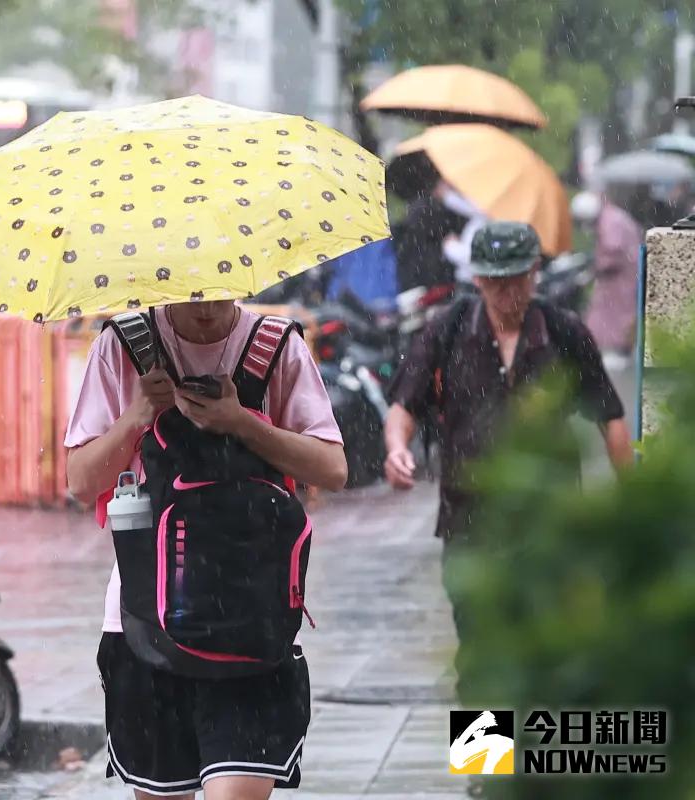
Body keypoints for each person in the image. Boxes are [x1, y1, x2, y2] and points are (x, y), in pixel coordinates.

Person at [65, 299, 347, 800]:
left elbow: (332, 468)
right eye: (190, 293)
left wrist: (241, 422)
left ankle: (487, 769)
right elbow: (82, 481)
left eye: (216, 291)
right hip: (145, 627)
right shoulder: (122, 347)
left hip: (251, 622)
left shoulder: (275, 347)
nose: (205, 306)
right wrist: (136, 416)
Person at [382, 221, 634, 695]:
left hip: (549, 522)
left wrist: (628, 503)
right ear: (477, 278)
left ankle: (538, 766)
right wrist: (396, 450)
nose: (505, 291)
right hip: (468, 521)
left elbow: (611, 418)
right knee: (477, 650)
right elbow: (403, 407)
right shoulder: (448, 329)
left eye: (516, 278)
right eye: (494, 280)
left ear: (535, 272)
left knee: (550, 647)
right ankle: (486, 765)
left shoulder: (563, 332)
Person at [584, 192, 644, 367]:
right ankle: (619, 351)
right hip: (626, 274)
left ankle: (620, 352)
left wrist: (598, 267)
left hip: (622, 277)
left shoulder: (610, 221)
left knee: (618, 314)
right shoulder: (613, 216)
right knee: (620, 313)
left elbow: (613, 250)